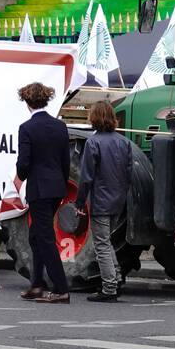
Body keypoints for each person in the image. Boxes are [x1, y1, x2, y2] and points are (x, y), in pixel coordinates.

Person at [15, 82, 70, 304]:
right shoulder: (60, 126)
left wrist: (20, 172)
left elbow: (24, 164)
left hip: (39, 188)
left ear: (27, 102)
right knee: (36, 235)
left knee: (45, 238)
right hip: (57, 187)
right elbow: (65, 161)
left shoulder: (26, 128)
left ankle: (61, 288)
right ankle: (37, 283)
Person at [73, 101, 133, 301]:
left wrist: (79, 203)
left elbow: (86, 177)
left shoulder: (93, 142)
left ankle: (109, 287)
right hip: (118, 200)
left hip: (100, 201)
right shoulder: (124, 142)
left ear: (94, 117)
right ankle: (115, 280)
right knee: (107, 243)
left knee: (101, 245)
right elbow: (129, 173)